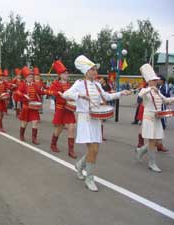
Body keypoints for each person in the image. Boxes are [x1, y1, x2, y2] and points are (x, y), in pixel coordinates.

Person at [63, 55, 131, 192]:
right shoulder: (79, 84)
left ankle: (80, 165)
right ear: (86, 71)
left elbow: (107, 97)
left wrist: (121, 93)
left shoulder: (98, 85)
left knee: (95, 150)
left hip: (95, 119)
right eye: (92, 69)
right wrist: (80, 96)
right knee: (93, 149)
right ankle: (89, 179)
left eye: (95, 69)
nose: (95, 72)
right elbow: (65, 94)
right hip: (85, 119)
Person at [135, 64, 174, 172]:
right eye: (154, 80)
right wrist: (149, 88)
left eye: (156, 80)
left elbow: (166, 100)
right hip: (148, 118)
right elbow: (140, 96)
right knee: (152, 141)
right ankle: (152, 163)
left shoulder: (157, 91)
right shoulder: (145, 90)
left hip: (157, 117)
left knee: (158, 141)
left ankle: (141, 150)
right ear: (149, 81)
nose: (156, 82)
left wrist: (172, 99)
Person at [46, 60, 77, 158]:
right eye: (65, 73)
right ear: (60, 75)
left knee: (71, 127)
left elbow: (72, 95)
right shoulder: (55, 84)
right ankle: (53, 144)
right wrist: (57, 93)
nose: (67, 74)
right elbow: (49, 91)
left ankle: (71, 150)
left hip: (69, 109)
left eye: (67, 73)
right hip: (60, 109)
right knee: (59, 128)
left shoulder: (69, 85)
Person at [17, 66, 44, 145]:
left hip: (34, 107)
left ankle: (34, 139)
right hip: (26, 107)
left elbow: (40, 92)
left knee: (35, 122)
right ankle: (21, 135)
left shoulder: (35, 85)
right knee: (24, 123)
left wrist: (48, 91)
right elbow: (18, 92)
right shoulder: (23, 85)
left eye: (31, 77)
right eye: (29, 77)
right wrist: (24, 95)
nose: (30, 78)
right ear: (26, 78)